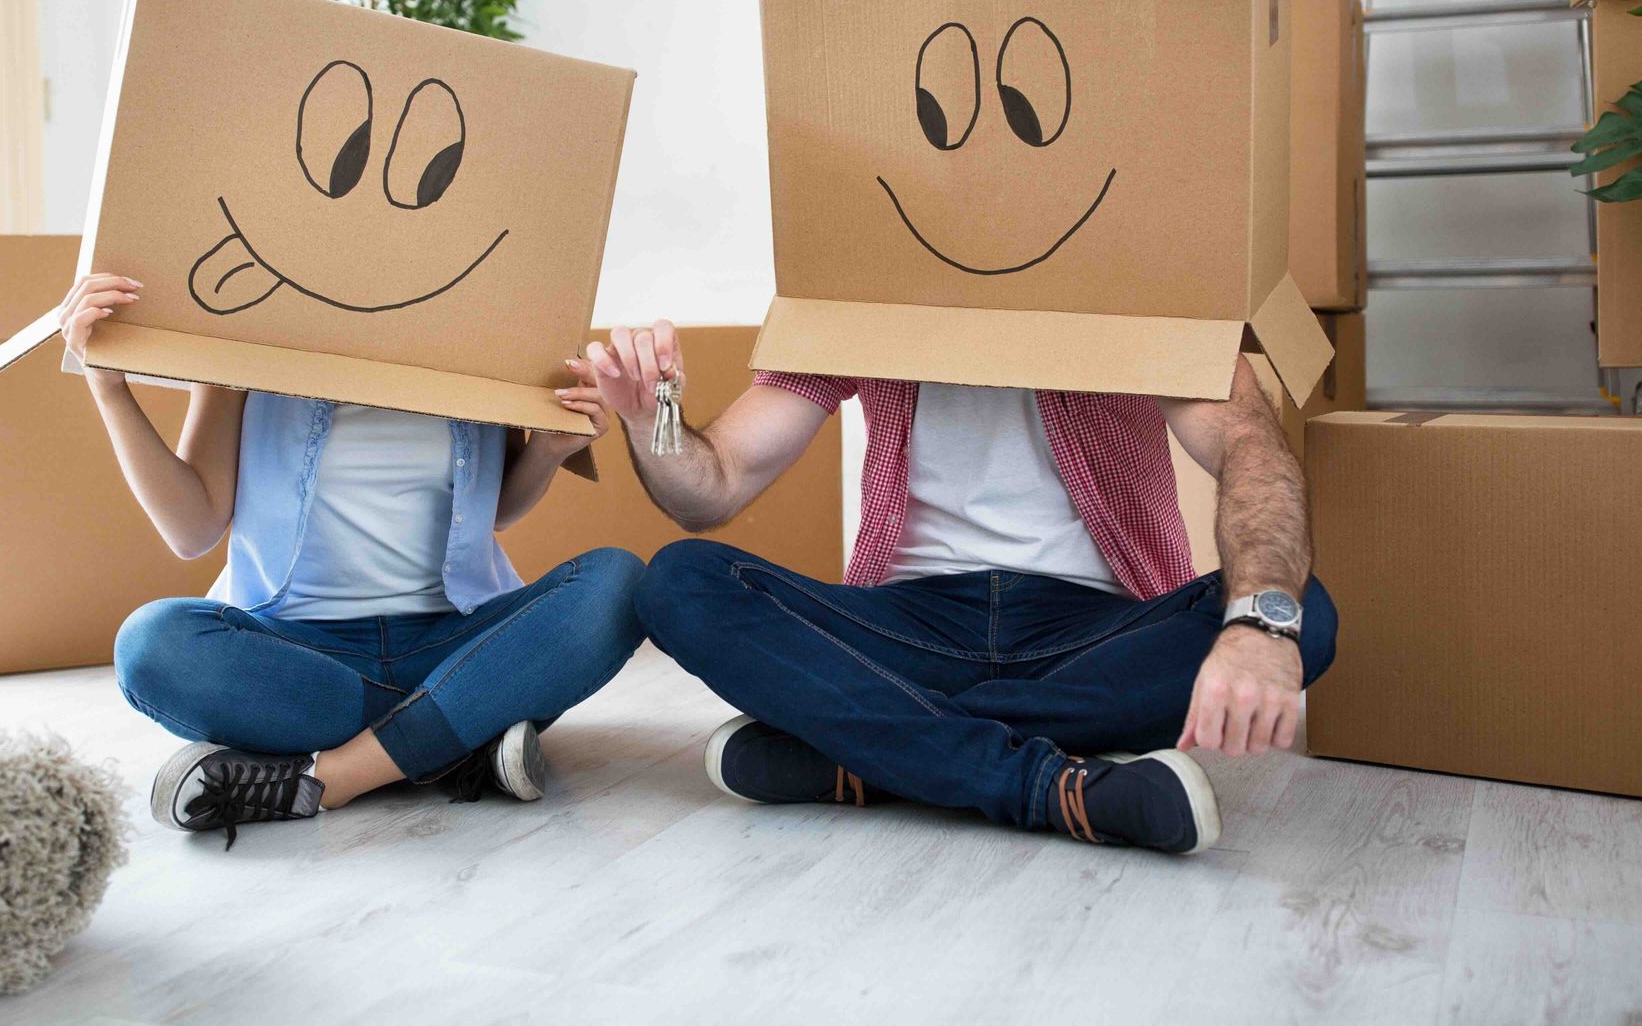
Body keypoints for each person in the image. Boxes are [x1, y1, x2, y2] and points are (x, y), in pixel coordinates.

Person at [571, 322, 1336, 854]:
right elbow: (713, 489)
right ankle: (1048, 786)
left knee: (1303, 613)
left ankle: (871, 747)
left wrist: (1256, 628)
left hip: (1089, 638)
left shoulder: (1145, 277)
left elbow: (1250, 448)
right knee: (680, 581)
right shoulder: (861, 287)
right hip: (908, 632)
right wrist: (654, 418)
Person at [58, 272, 644, 848]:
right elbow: (191, 530)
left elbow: (498, 512)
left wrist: (544, 452)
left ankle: (332, 778)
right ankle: (461, 734)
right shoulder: (244, 339)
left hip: (458, 640)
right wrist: (110, 389)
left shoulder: (481, 331)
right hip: (303, 658)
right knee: (150, 643)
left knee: (618, 584)